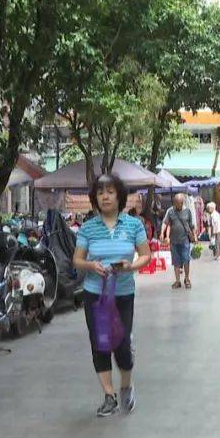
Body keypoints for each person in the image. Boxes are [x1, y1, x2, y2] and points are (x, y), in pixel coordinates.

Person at [72, 174, 152, 417]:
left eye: (110, 192)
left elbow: (146, 255)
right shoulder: (88, 227)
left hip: (123, 293)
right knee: (100, 344)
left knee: (123, 345)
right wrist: (90, 266)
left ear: (119, 196)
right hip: (95, 293)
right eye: (100, 192)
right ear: (95, 198)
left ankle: (126, 385)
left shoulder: (133, 225)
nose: (105, 196)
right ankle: (109, 396)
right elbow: (77, 260)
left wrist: (130, 266)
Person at [162, 193, 196, 289]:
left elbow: (191, 225)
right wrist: (162, 233)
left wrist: (195, 237)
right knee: (176, 262)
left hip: (185, 240)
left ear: (182, 202)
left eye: (180, 203)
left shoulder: (187, 211)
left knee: (186, 260)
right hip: (174, 241)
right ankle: (177, 281)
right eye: (176, 203)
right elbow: (165, 223)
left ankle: (187, 279)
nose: (178, 204)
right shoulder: (170, 211)